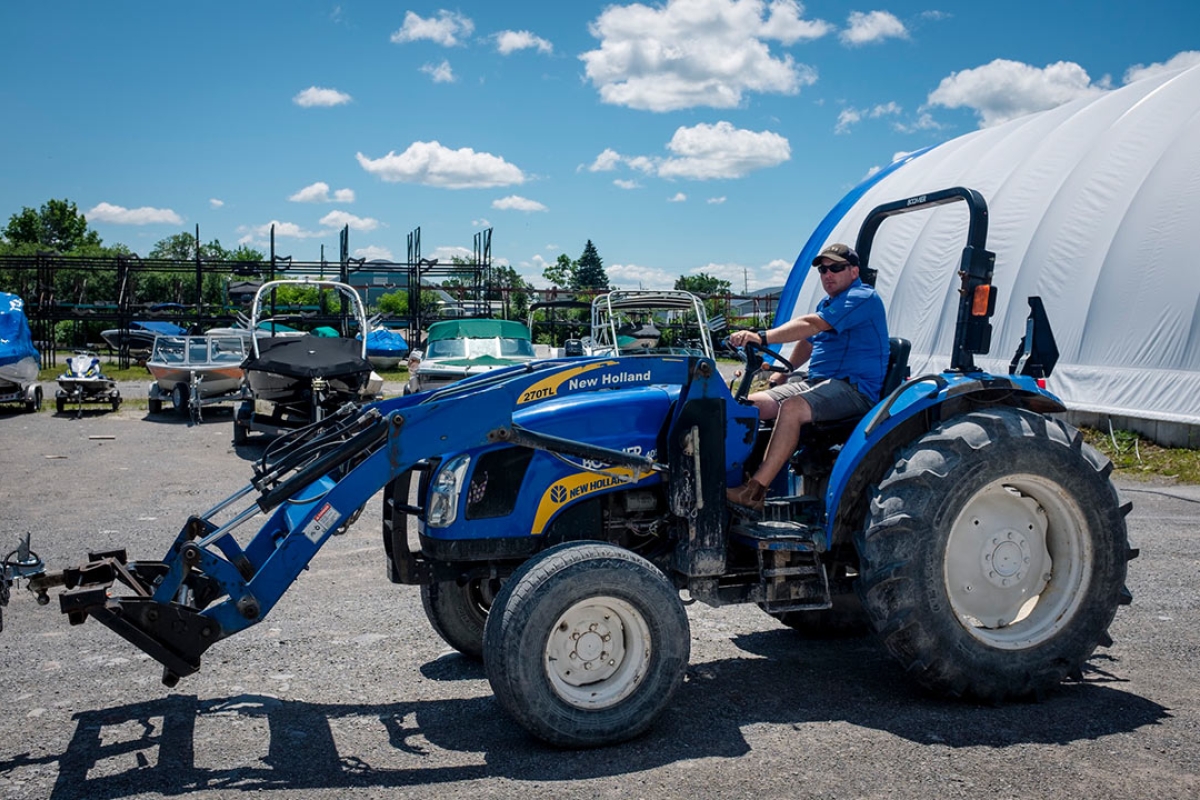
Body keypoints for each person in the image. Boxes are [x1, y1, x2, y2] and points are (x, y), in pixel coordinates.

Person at [726, 243, 889, 510]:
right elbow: (809, 340)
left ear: (854, 271)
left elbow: (813, 325)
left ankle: (753, 493)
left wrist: (762, 337)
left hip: (854, 389)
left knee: (792, 408)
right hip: (818, 383)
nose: (828, 274)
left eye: (836, 268)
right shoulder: (828, 303)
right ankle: (732, 474)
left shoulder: (862, 297)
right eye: (823, 270)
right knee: (746, 406)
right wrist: (784, 372)